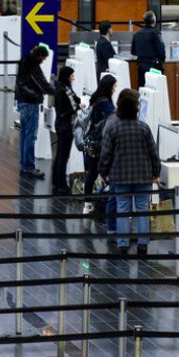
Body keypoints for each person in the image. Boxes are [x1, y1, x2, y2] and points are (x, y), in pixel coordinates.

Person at [98, 88, 162, 255]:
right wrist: (156, 172)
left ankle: (123, 244)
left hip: (120, 177)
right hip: (143, 176)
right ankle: (143, 244)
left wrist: (103, 172)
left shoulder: (113, 128)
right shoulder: (143, 128)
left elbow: (106, 154)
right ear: (135, 109)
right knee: (142, 210)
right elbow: (153, 153)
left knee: (122, 210)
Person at [14, 45, 52, 179]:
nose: (43, 61)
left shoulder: (24, 60)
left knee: (24, 135)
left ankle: (24, 164)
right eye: (43, 58)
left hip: (22, 101)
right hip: (30, 103)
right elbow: (43, 84)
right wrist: (57, 91)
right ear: (40, 56)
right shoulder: (33, 65)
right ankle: (29, 167)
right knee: (31, 137)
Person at [81, 74, 117, 215]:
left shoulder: (95, 99)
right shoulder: (106, 104)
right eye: (114, 86)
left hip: (90, 142)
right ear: (109, 87)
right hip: (100, 144)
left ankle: (87, 204)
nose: (115, 89)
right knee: (104, 173)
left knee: (92, 173)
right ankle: (108, 205)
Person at [51, 65, 81, 195]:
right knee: (63, 156)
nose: (73, 78)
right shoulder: (63, 91)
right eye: (72, 76)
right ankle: (62, 185)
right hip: (65, 126)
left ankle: (57, 181)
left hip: (61, 125)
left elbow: (75, 99)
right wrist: (77, 108)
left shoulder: (62, 88)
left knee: (60, 156)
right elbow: (66, 109)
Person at [131, 11, 165, 87]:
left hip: (141, 65)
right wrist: (161, 61)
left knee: (142, 89)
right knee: (155, 89)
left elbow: (133, 51)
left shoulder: (137, 34)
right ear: (154, 21)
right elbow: (161, 51)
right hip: (153, 66)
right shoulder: (155, 34)